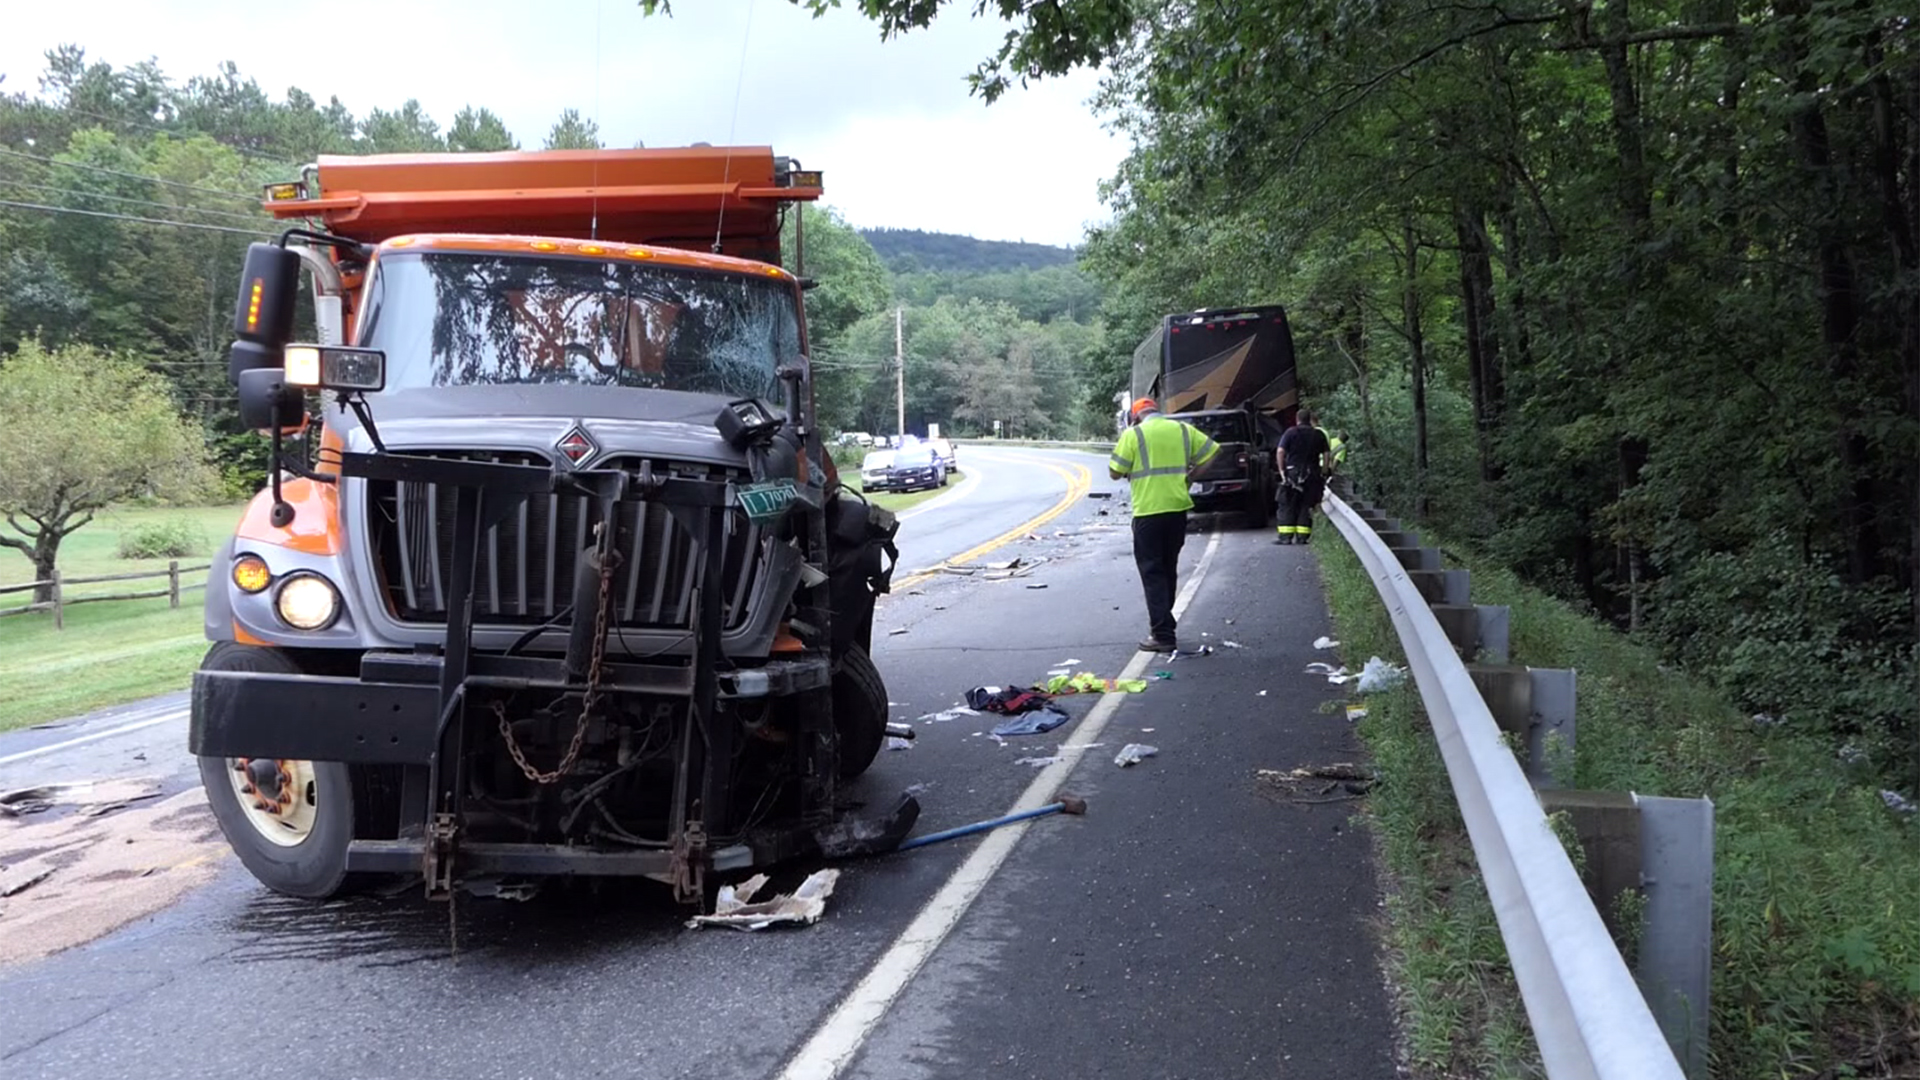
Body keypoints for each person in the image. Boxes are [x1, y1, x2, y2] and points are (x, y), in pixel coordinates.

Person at [1109, 397, 1220, 652]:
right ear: (1156, 411)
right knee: (1168, 568)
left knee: (1152, 572)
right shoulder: (1181, 429)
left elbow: (1115, 471)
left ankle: (1162, 634)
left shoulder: (1133, 434)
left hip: (1148, 512)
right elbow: (1213, 451)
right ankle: (1164, 624)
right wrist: (1191, 477)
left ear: (1136, 417)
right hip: (1177, 510)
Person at [1275, 408, 1331, 544]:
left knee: (1288, 504)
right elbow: (1327, 455)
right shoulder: (1318, 435)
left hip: (1292, 474)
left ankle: (1285, 537)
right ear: (1309, 419)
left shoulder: (1290, 433)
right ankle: (1302, 537)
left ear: (1297, 419)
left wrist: (1282, 471)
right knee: (1306, 505)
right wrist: (1323, 471)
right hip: (1312, 474)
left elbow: (1280, 451)